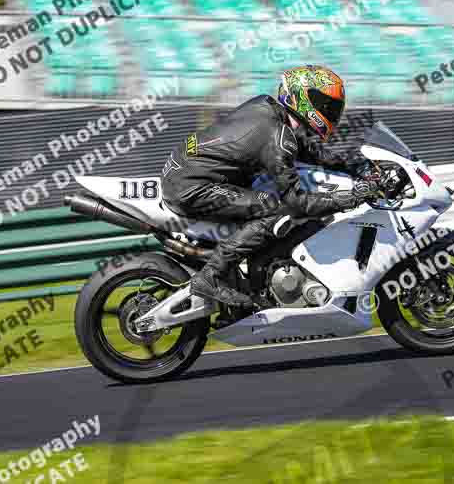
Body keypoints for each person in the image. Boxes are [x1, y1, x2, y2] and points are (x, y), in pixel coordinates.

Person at [161, 65, 379, 309]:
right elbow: (298, 203)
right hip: (192, 186)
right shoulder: (278, 136)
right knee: (276, 208)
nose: (330, 111)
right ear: (303, 98)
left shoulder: (268, 108)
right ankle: (210, 277)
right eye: (325, 104)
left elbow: (304, 149)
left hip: (187, 171)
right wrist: (354, 196)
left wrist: (352, 166)